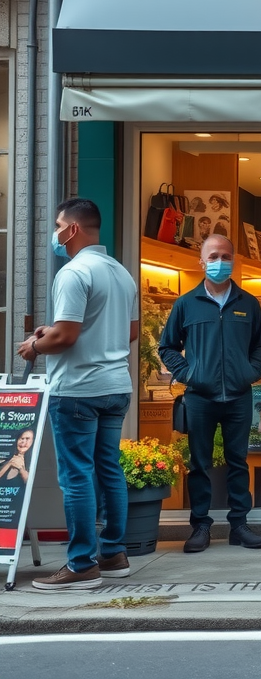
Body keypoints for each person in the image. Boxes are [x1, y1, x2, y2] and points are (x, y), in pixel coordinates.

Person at [16, 198, 138, 591]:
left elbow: (66, 336)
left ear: (72, 229)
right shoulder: (121, 273)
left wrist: (35, 346)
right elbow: (129, 333)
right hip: (116, 385)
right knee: (108, 469)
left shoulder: (73, 272)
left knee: (76, 476)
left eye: (57, 225)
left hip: (78, 391)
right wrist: (51, 333)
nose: (55, 233)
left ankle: (82, 564)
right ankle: (114, 554)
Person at [159, 235, 261, 554]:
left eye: (225, 256)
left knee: (238, 462)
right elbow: (167, 346)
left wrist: (251, 372)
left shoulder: (248, 303)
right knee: (200, 464)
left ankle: (239, 525)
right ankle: (201, 527)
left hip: (238, 396)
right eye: (213, 256)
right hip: (200, 398)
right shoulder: (186, 303)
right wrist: (189, 373)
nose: (220, 261)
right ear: (202, 261)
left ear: (234, 260)